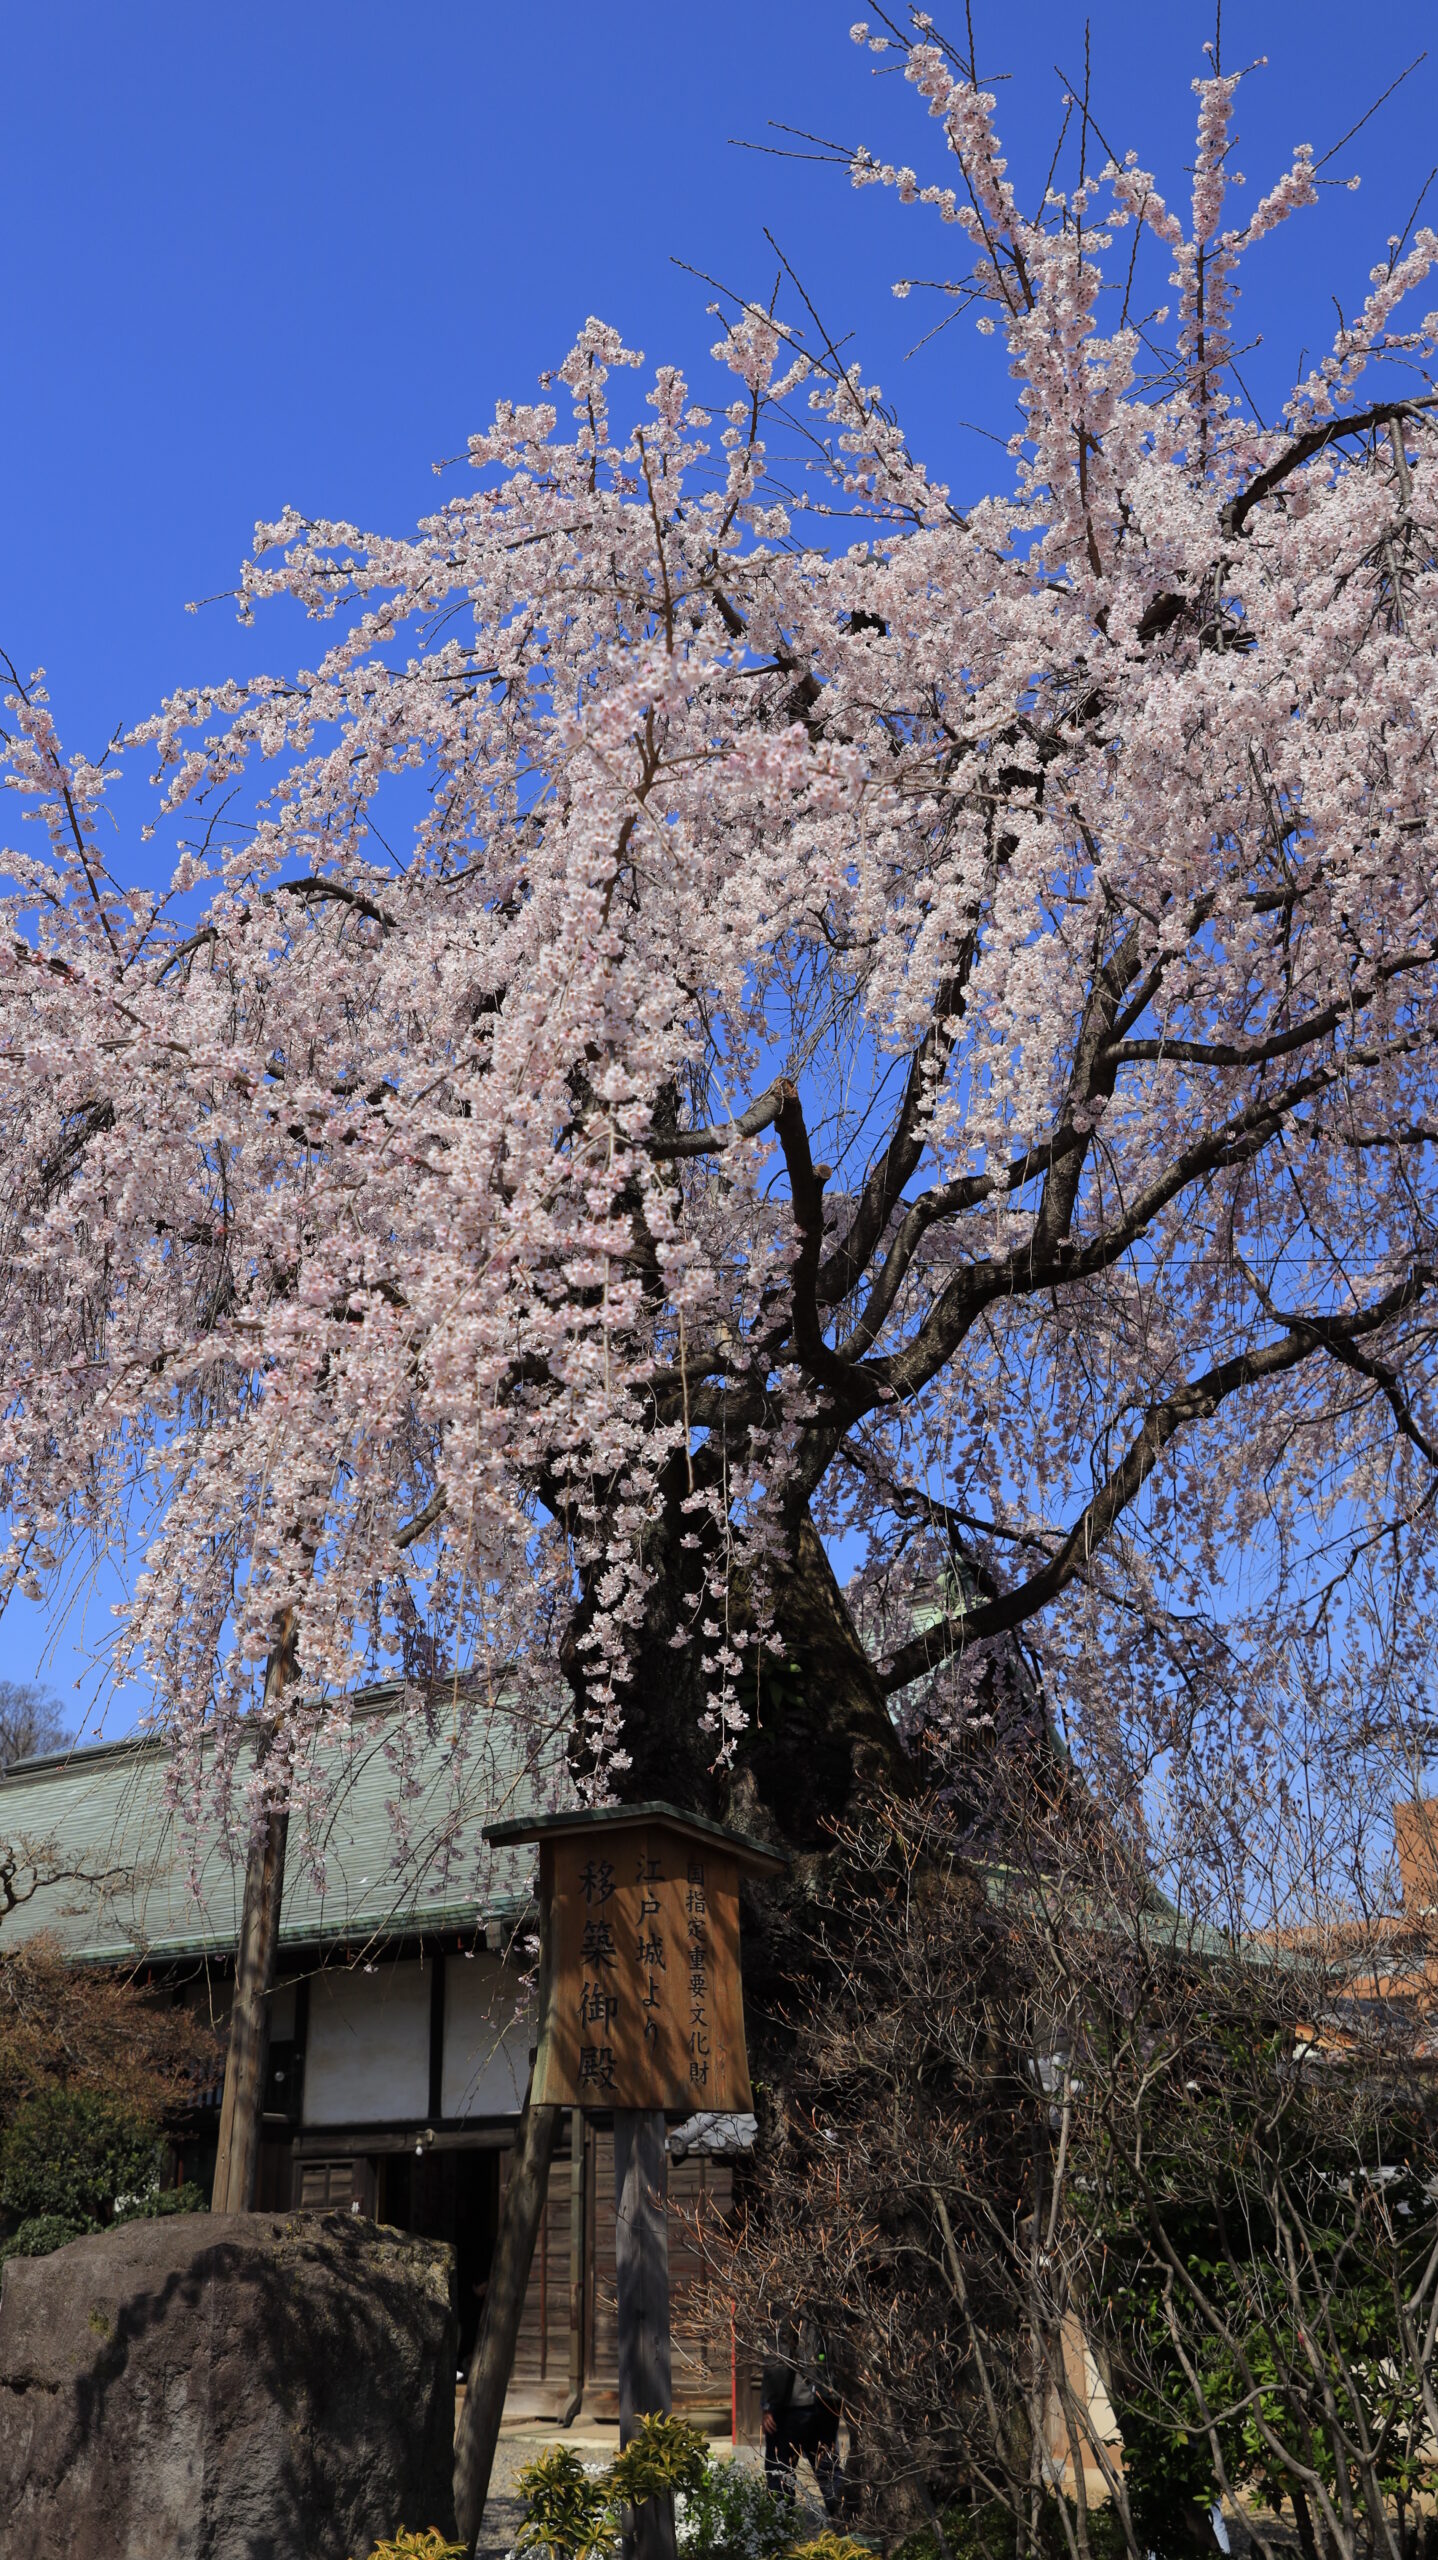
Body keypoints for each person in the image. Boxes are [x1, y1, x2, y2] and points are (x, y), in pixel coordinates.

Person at [760, 2321, 852, 2518]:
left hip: (792, 2405)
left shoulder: (782, 2308)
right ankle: (845, 2527)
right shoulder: (827, 2304)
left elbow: (778, 2362)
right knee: (827, 2468)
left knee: (780, 2470)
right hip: (827, 2398)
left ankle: (780, 2531)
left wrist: (768, 2404)